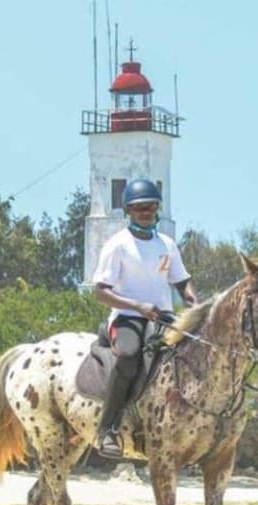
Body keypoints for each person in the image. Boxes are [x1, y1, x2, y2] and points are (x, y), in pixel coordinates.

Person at [91, 179, 198, 458]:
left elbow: (181, 280)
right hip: (128, 318)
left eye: (150, 206)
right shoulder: (118, 245)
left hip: (163, 318)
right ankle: (108, 429)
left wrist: (192, 300)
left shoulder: (167, 245)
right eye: (139, 208)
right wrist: (137, 306)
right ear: (128, 210)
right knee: (129, 356)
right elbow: (100, 292)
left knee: (196, 351)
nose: (146, 212)